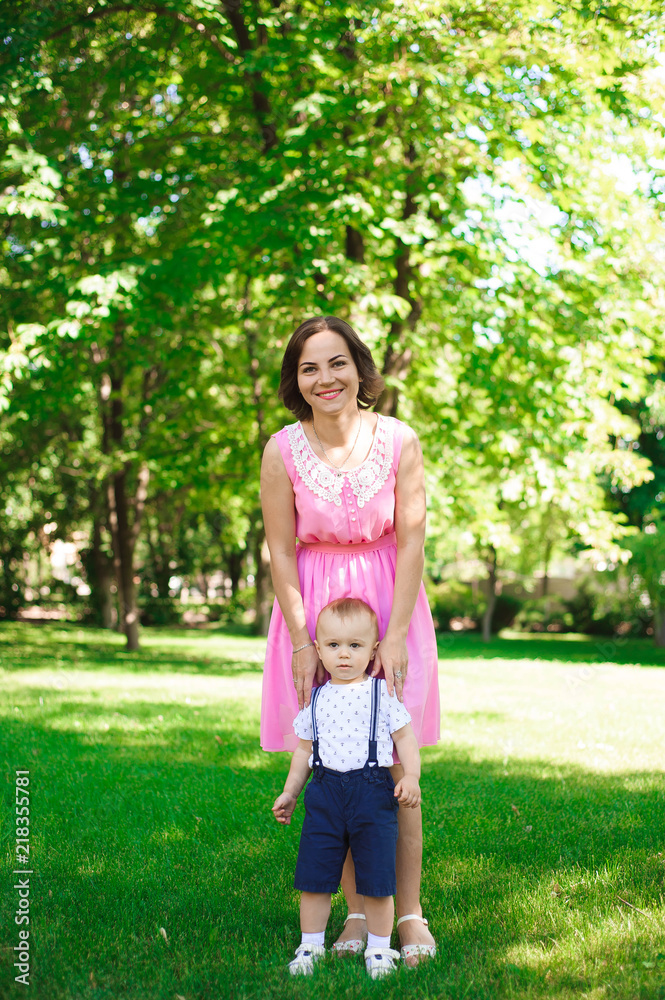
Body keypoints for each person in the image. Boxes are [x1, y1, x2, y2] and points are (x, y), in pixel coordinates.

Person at [261, 315, 439, 964]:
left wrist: (394, 636)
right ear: (296, 380)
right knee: (337, 760)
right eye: (309, 367)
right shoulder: (280, 449)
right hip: (313, 610)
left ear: (358, 369)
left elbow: (414, 537)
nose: (324, 378)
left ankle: (410, 913)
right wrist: (302, 640)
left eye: (336, 363)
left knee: (393, 766)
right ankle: (359, 917)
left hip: (389, 599)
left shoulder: (399, 441)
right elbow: (280, 550)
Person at [272, 598, 422, 978]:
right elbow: (304, 751)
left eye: (355, 646)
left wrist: (410, 777)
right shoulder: (315, 699)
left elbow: (406, 741)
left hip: (372, 792)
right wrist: (290, 792)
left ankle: (379, 949)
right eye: (334, 646)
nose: (343, 655)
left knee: (376, 878)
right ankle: (310, 946)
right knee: (315, 875)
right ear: (318, 650)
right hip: (324, 793)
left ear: (373, 650)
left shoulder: (382, 695)